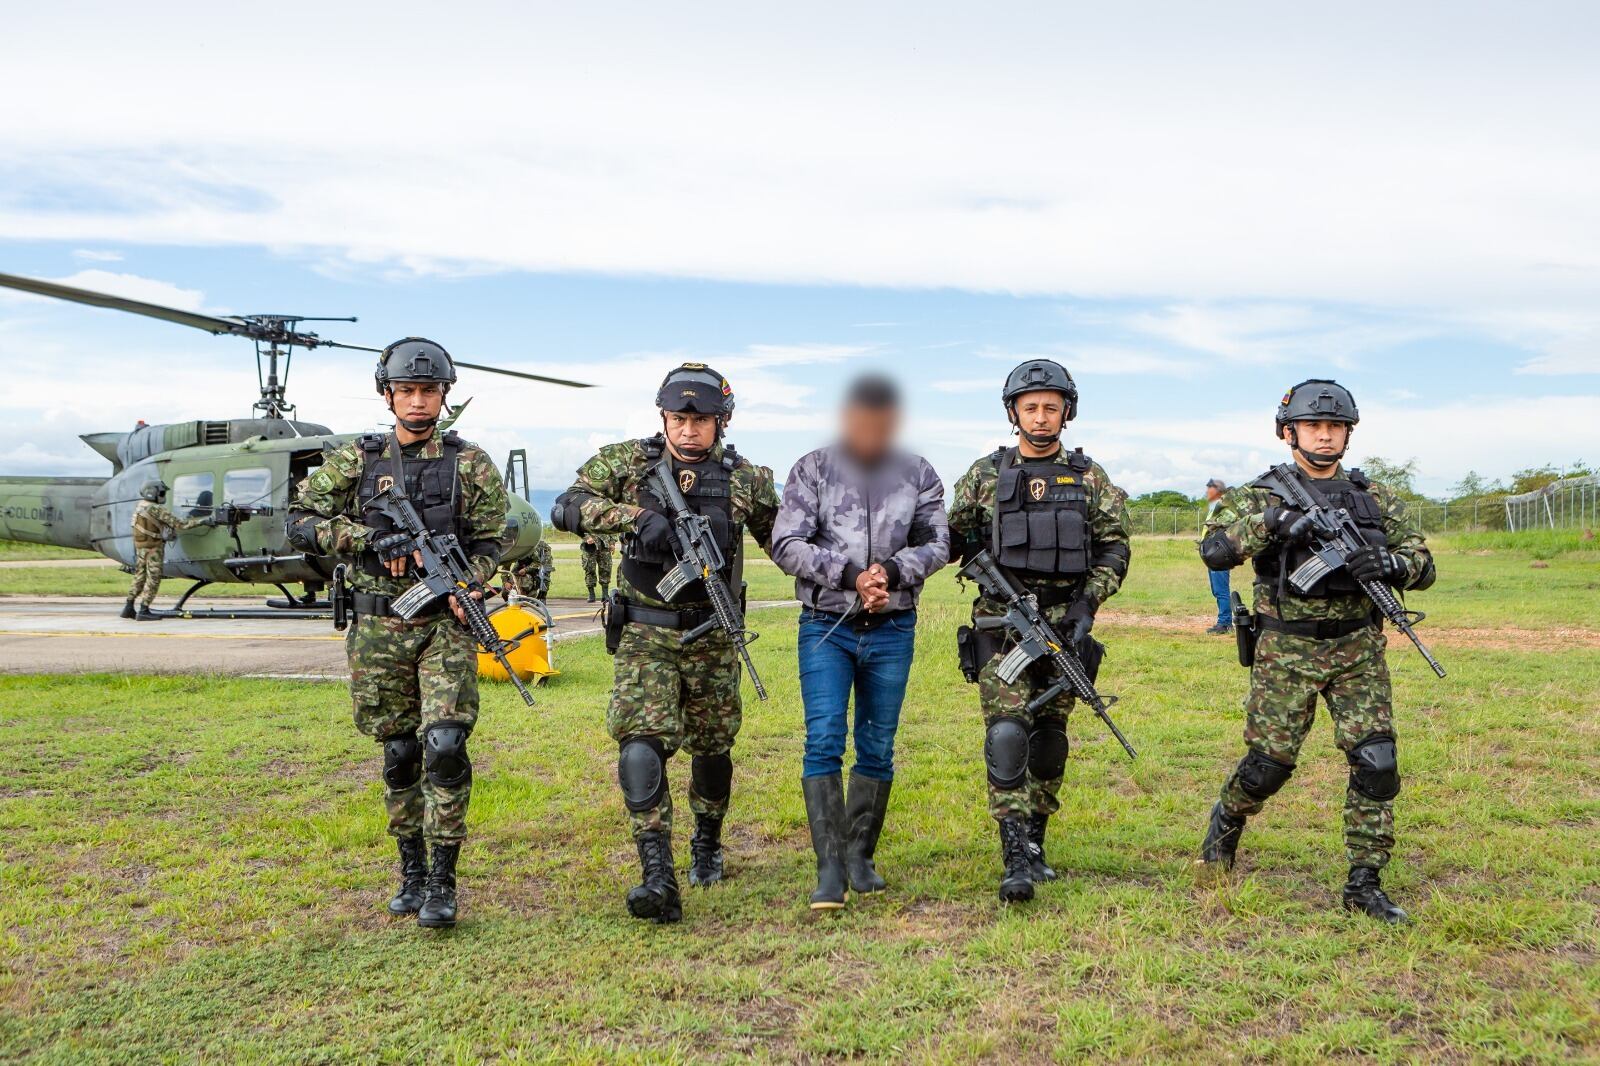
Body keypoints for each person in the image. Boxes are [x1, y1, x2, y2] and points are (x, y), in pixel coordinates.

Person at [286, 338, 509, 930]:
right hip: (378, 624)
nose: (417, 400)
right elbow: (297, 521)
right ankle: (409, 870)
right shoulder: (354, 460)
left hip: (445, 626)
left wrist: (472, 583)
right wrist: (366, 539)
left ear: (444, 394)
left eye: (428, 390)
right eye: (406, 390)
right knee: (401, 750)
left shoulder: (471, 463)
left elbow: (495, 542)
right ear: (386, 394)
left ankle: (443, 879)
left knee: (445, 745)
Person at [1196, 379, 1435, 924]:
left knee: (1377, 762)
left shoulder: (1374, 497)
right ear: (1289, 432)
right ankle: (1227, 820)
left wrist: (1394, 567)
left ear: (1348, 434)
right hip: (1287, 651)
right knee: (1268, 767)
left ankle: (1364, 882)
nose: (1325, 436)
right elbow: (1214, 550)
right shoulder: (1259, 494)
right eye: (1313, 426)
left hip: (1358, 647)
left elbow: (1423, 562)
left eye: (1335, 427)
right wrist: (1275, 523)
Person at [552, 363, 779, 924]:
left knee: (713, 745)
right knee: (640, 742)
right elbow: (567, 505)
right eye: (679, 418)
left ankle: (707, 842)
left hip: (712, 632)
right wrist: (631, 519)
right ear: (663, 417)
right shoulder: (628, 464)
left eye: (701, 420)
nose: (688, 430)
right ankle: (657, 872)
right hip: (645, 631)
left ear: (721, 422)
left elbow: (784, 541)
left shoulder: (744, 478)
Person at [948, 360, 1131, 902]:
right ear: (1014, 413)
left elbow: (1116, 546)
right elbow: (954, 537)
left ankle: (1037, 840)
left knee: (1049, 740)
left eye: (1052, 407)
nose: (1042, 417)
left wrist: (1085, 608)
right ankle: (1014, 857)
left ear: (1067, 413)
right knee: (1008, 734)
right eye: (1031, 407)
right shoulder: (985, 475)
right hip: (1002, 626)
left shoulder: (1089, 477)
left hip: (1064, 626)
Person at [771, 375, 950, 909]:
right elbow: (786, 543)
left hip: (893, 628)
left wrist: (890, 574)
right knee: (823, 738)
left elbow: (938, 543)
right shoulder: (813, 469)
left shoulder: (917, 473)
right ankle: (829, 869)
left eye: (882, 421)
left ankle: (859, 857)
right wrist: (851, 576)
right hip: (827, 627)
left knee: (877, 743)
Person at [121, 480, 210, 620]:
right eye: (162, 493)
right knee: (153, 579)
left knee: (139, 576)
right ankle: (144, 610)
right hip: (153, 549)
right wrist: (203, 521)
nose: (163, 495)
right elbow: (180, 524)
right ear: (154, 493)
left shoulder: (140, 506)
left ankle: (128, 607)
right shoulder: (156, 509)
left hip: (141, 548)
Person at [1203, 478, 1232, 635]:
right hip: (1213, 554)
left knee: (1221, 590)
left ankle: (1225, 623)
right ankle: (1225, 621)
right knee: (1217, 590)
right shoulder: (1215, 508)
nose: (1207, 491)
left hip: (1220, 554)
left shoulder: (1224, 509)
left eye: (1210, 488)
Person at [580, 533, 614, 602]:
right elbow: (578, 527)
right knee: (590, 569)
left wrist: (612, 542)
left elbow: (612, 526)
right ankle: (591, 594)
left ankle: (605, 595)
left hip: (605, 545)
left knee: (606, 569)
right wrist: (587, 537)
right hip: (590, 545)